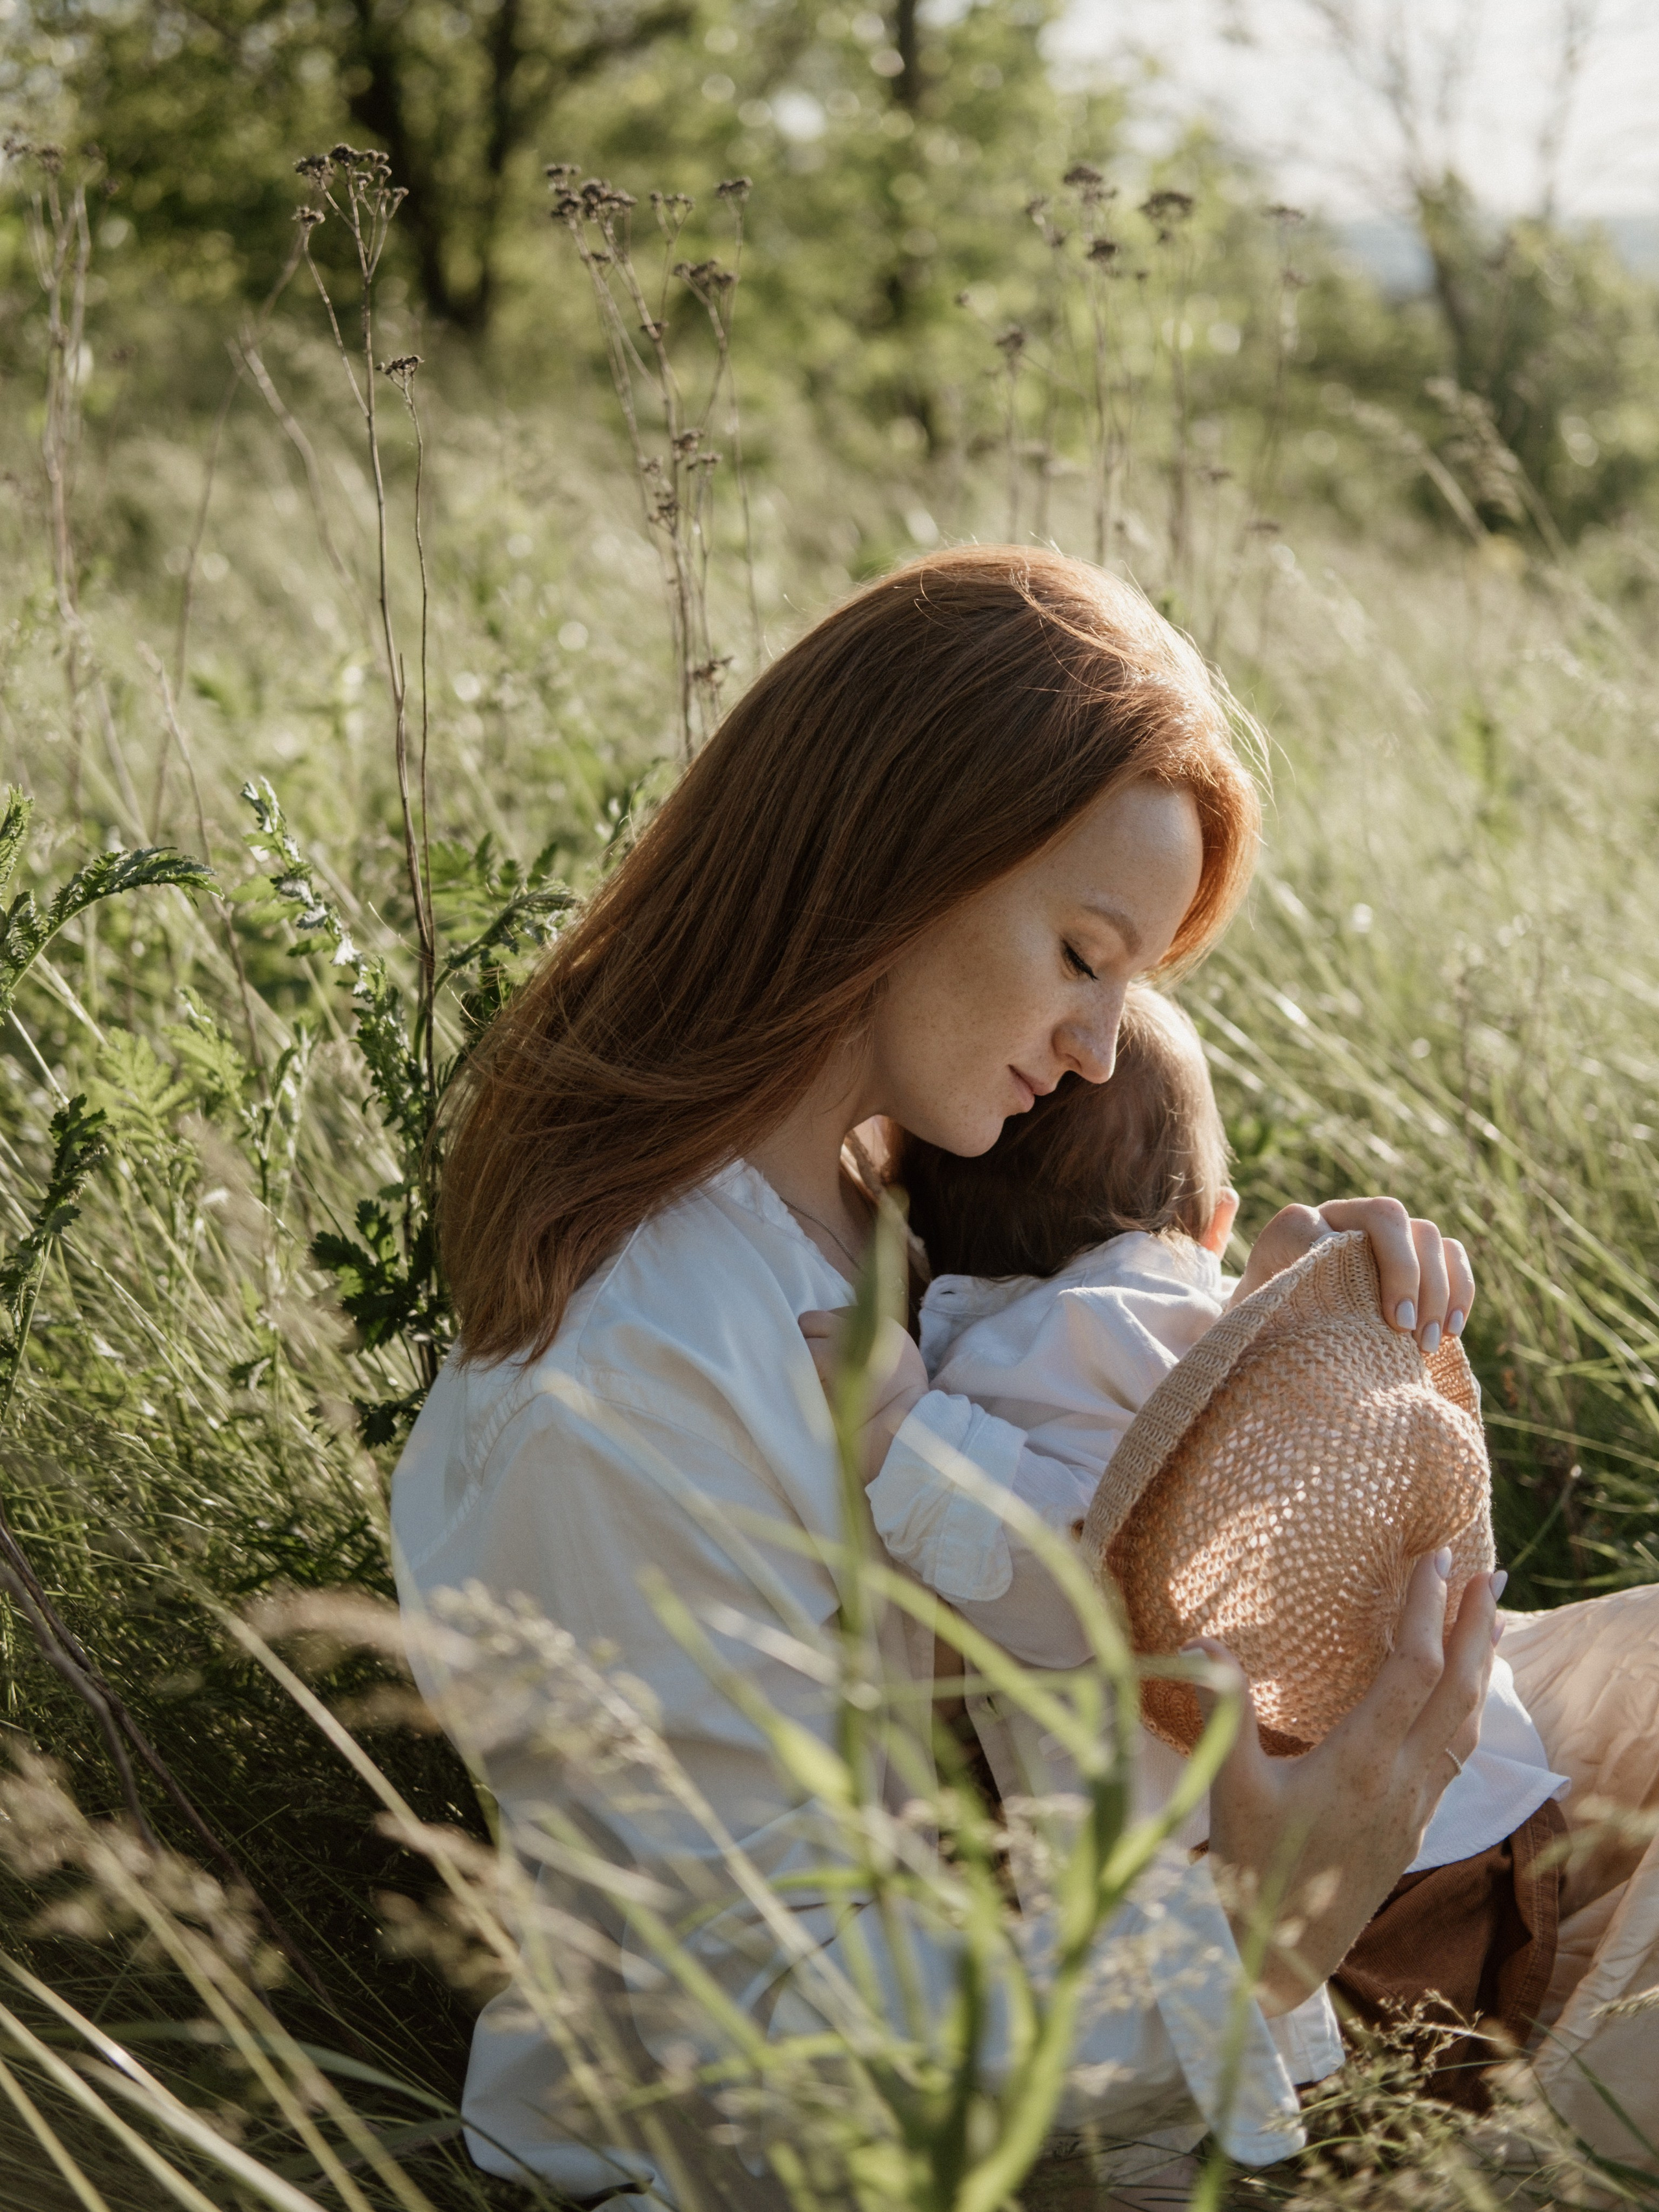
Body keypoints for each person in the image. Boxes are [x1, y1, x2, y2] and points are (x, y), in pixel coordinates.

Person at [390, 546, 1656, 2201]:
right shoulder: (625, 1361)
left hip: (1175, 1922)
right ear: (896, 864)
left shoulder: (867, 1198)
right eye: (1080, 952)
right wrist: (1254, 1935)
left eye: (1130, 982)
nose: (1100, 1044)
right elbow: (735, 2042)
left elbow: (1071, 1517)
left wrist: (1261, 1337)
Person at [898, 984, 1571, 2108]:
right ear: (1215, 1221)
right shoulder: (1161, 1326)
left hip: (1336, 1904)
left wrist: (899, 1443)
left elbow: (1074, 1583)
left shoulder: (1010, 1361)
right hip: (1464, 1841)